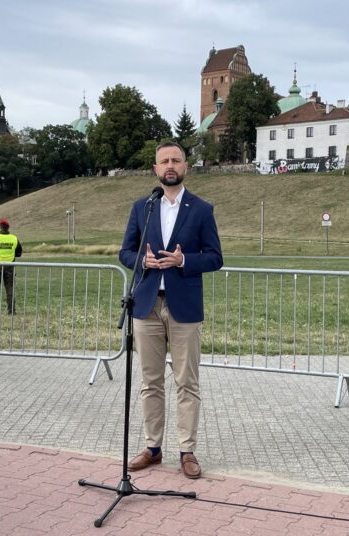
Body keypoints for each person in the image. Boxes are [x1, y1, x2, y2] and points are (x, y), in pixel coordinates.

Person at [119, 141, 223, 479]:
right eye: (164, 161)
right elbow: (125, 252)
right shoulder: (142, 208)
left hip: (184, 307)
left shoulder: (202, 209)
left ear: (186, 166)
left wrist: (184, 260)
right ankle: (152, 447)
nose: (170, 166)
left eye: (175, 160)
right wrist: (142, 260)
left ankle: (187, 450)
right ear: (155, 169)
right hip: (147, 305)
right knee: (150, 382)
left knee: (186, 382)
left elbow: (215, 257)